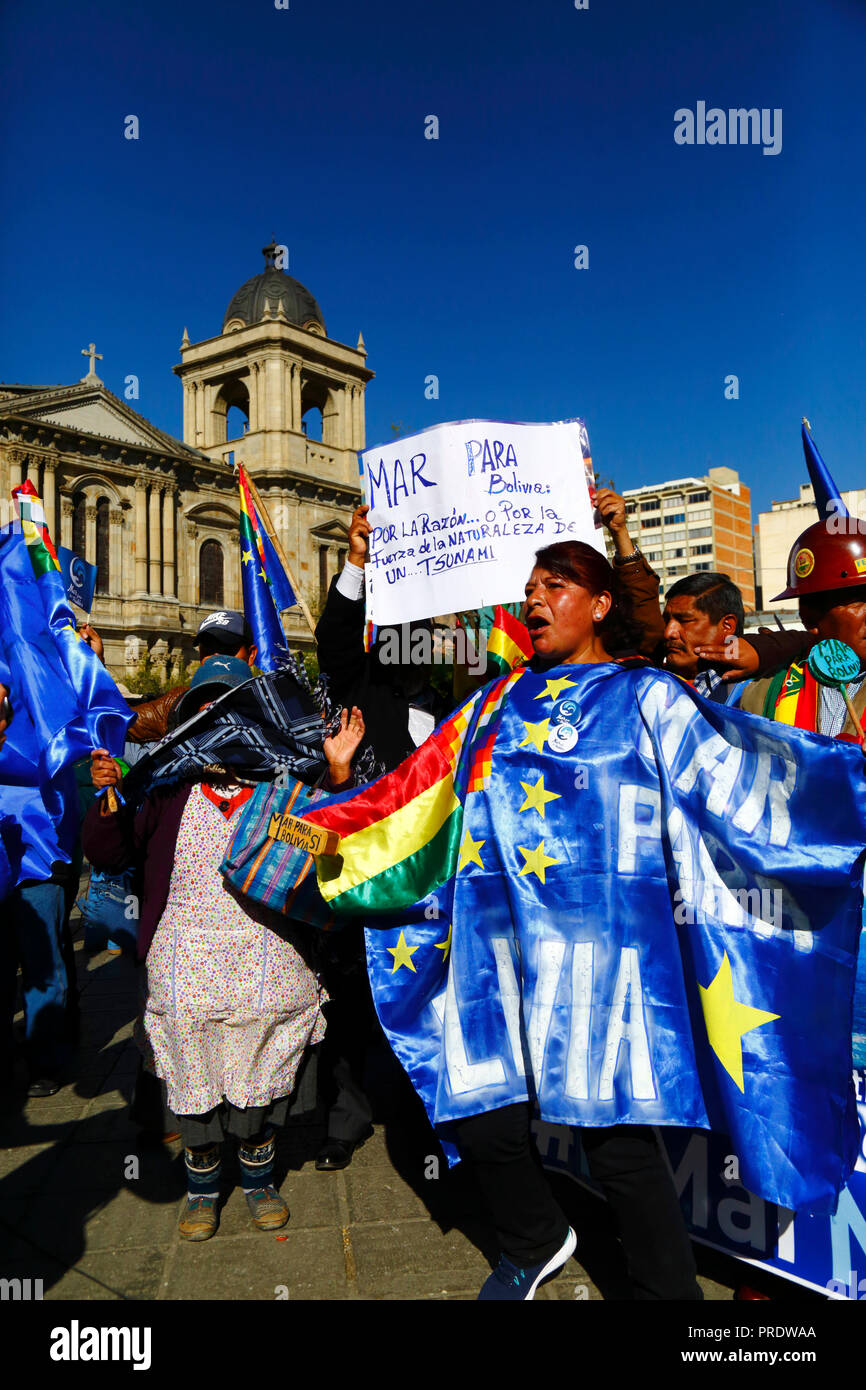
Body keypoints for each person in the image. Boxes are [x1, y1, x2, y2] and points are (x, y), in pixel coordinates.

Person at [82, 657, 366, 1241]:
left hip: (265, 957)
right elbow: (110, 854)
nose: (217, 718)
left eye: (229, 707)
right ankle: (202, 1189)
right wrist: (109, 797)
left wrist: (337, 778)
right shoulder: (163, 793)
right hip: (185, 958)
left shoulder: (280, 794)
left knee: (261, 1069)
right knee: (192, 1072)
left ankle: (260, 1180)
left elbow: (332, 851)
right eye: (205, 708)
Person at [127, 611, 259, 745]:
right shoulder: (175, 703)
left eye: (228, 650)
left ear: (251, 655)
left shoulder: (270, 703)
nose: (217, 657)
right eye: (208, 650)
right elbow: (118, 723)